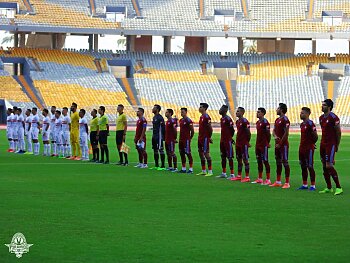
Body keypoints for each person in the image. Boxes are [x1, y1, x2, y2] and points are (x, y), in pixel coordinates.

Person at [319, 99, 343, 195]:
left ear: (329, 107)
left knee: (329, 165)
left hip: (330, 144)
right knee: (324, 166)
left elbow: (338, 132)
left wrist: (336, 145)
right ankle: (329, 187)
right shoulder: (321, 118)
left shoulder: (334, 117)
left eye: (324, 105)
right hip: (323, 144)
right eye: (322, 105)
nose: (322, 106)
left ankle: (338, 187)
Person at [270, 103, 291, 189]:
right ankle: (278, 181)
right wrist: (275, 136)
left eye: (278, 108)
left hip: (283, 145)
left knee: (285, 162)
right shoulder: (277, 120)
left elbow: (286, 133)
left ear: (281, 110)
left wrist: (280, 143)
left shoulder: (285, 120)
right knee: (278, 162)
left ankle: (287, 182)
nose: (276, 110)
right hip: (277, 145)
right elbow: (274, 131)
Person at [297, 107, 318, 191]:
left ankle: (313, 185)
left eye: (302, 113)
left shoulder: (310, 123)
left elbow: (315, 136)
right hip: (301, 148)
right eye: (300, 113)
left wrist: (312, 143)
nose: (300, 114)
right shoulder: (302, 124)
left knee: (310, 166)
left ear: (307, 114)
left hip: (308, 148)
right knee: (303, 166)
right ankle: (304, 184)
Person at [252, 108, 271, 185]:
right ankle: (260, 178)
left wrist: (267, 143)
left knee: (265, 161)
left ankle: (268, 179)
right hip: (258, 144)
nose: (257, 113)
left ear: (263, 113)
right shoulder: (257, 122)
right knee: (259, 161)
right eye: (257, 112)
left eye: (259, 112)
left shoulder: (265, 122)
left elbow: (268, 134)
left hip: (263, 145)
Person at [217, 105, 235, 179]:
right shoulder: (222, 119)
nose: (219, 110)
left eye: (221, 109)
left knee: (229, 157)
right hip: (222, 140)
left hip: (227, 141)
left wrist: (230, 138)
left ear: (224, 110)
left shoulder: (228, 119)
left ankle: (232, 174)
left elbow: (232, 130)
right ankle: (224, 173)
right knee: (223, 156)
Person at [233, 107, 251, 182]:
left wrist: (247, 142)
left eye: (238, 111)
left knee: (245, 159)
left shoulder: (244, 121)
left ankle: (247, 177)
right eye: (236, 111)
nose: (236, 112)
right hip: (238, 143)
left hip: (243, 143)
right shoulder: (237, 121)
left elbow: (248, 133)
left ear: (242, 113)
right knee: (239, 159)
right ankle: (239, 176)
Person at [196, 103, 213, 176]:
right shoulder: (201, 117)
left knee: (206, 154)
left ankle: (210, 171)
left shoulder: (206, 117)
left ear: (205, 108)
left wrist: (209, 137)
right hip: (200, 137)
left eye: (201, 107)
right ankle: (203, 170)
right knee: (200, 153)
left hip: (205, 138)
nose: (199, 108)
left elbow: (210, 128)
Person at [178, 107, 194, 173]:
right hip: (181, 139)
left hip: (186, 140)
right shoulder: (181, 120)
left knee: (188, 153)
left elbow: (192, 130)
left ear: (186, 112)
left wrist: (190, 138)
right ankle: (183, 168)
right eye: (181, 112)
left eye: (183, 112)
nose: (181, 113)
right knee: (182, 153)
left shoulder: (188, 120)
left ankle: (191, 169)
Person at [151, 104, 166, 170]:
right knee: (155, 150)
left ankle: (162, 166)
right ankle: (156, 165)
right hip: (154, 136)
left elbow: (163, 128)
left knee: (161, 150)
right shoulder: (154, 117)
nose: (152, 109)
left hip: (159, 137)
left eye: (154, 108)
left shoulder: (160, 118)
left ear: (157, 109)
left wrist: (163, 137)